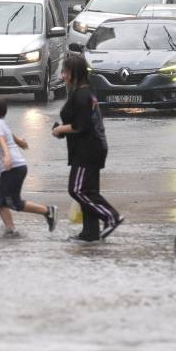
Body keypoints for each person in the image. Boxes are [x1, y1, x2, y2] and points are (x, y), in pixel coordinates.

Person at [52, 54, 123, 242]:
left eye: (65, 72)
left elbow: (80, 125)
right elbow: (78, 123)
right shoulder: (84, 91)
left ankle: (111, 216)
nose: (62, 76)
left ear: (74, 73)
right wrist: (61, 130)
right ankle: (90, 233)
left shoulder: (82, 94)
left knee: (78, 190)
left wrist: (60, 129)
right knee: (89, 191)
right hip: (91, 147)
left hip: (88, 150)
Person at [0, 96, 58, 237]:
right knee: (11, 202)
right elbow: (9, 135)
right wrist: (20, 142)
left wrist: (7, 155)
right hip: (17, 168)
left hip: (12, 168)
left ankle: (11, 229)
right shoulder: (0, 124)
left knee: (0, 200)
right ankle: (47, 212)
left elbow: (1, 140)